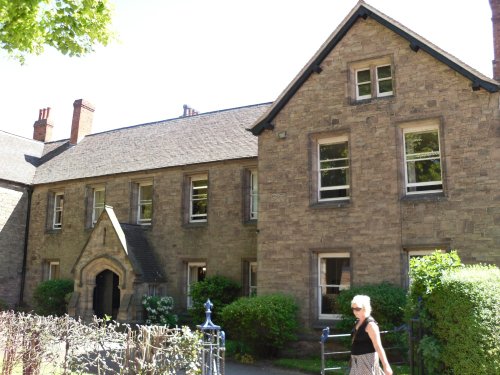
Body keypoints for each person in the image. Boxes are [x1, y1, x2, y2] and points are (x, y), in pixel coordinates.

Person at [350, 295, 393, 375]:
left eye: (358, 309)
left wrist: (386, 366)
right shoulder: (357, 322)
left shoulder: (371, 325)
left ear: (365, 308)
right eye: (353, 309)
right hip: (356, 361)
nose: (355, 311)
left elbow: (378, 346)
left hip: (367, 360)